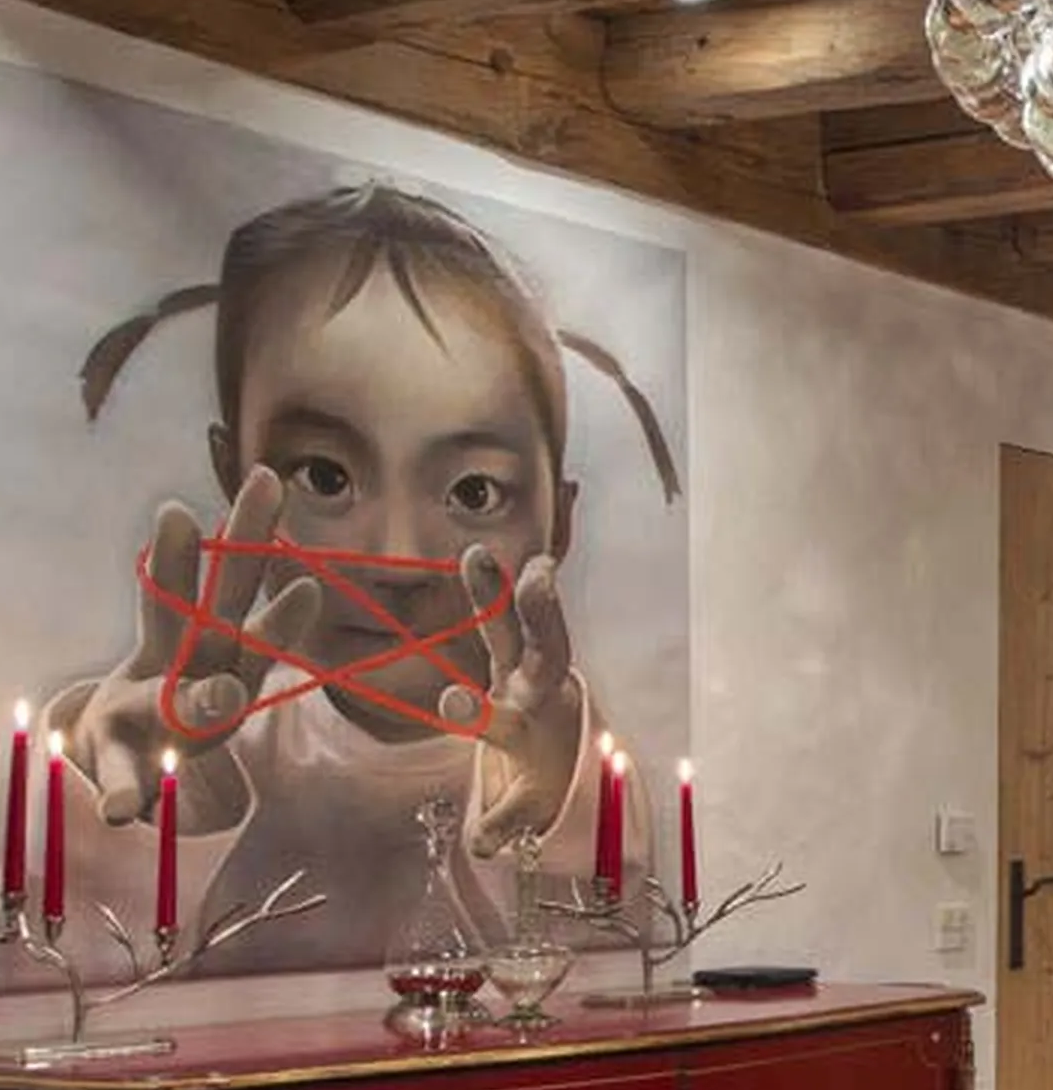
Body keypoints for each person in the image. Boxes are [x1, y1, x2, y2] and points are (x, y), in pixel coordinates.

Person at [42, 184, 679, 964]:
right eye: (325, 476)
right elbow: (47, 996)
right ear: (232, 475)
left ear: (560, 521)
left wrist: (557, 814)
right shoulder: (217, 740)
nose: (399, 558)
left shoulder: (564, 753)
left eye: (473, 492)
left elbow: (609, 988)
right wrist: (132, 805)